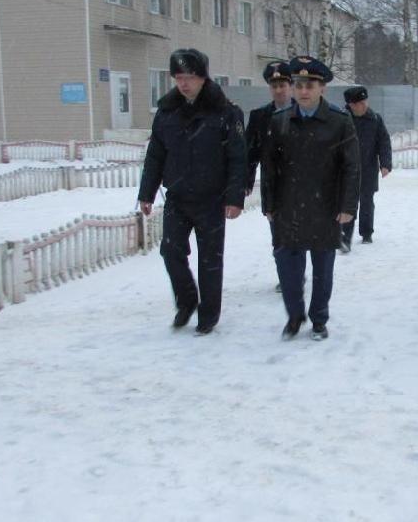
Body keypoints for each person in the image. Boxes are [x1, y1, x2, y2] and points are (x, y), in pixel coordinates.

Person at [137, 48, 247, 336]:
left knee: (210, 258)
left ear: (203, 78)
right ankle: (186, 301)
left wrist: (235, 198)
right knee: (170, 251)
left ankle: (209, 314)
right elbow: (156, 154)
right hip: (177, 195)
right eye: (179, 77)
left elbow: (238, 157)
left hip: (212, 197)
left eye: (190, 77)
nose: (184, 83)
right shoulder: (167, 112)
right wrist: (146, 192)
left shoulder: (225, 112)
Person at [261, 55, 359, 341]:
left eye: (311, 85)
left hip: (325, 207)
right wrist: (269, 204)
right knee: (288, 269)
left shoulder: (339, 122)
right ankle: (294, 315)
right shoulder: (279, 121)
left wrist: (347, 206)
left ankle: (318, 319)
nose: (304, 90)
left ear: (322, 89)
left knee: (322, 269)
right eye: (299, 84)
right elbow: (269, 167)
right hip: (288, 207)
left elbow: (352, 167)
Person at [246, 60, 295, 291]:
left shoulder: (304, 112)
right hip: (272, 186)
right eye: (274, 85)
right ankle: (285, 276)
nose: (278, 90)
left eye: (283, 85)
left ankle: (296, 274)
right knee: (278, 236)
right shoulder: (259, 117)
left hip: (301, 186)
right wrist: (245, 182)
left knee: (299, 234)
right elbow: (250, 153)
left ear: (291, 86)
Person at [340, 85, 393, 251]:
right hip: (346, 170)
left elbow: (384, 142)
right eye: (358, 103)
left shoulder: (375, 119)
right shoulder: (342, 119)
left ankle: (366, 233)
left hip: (368, 168)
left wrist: (385, 164)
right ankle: (345, 237)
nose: (363, 106)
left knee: (367, 202)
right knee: (348, 203)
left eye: (364, 102)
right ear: (351, 105)